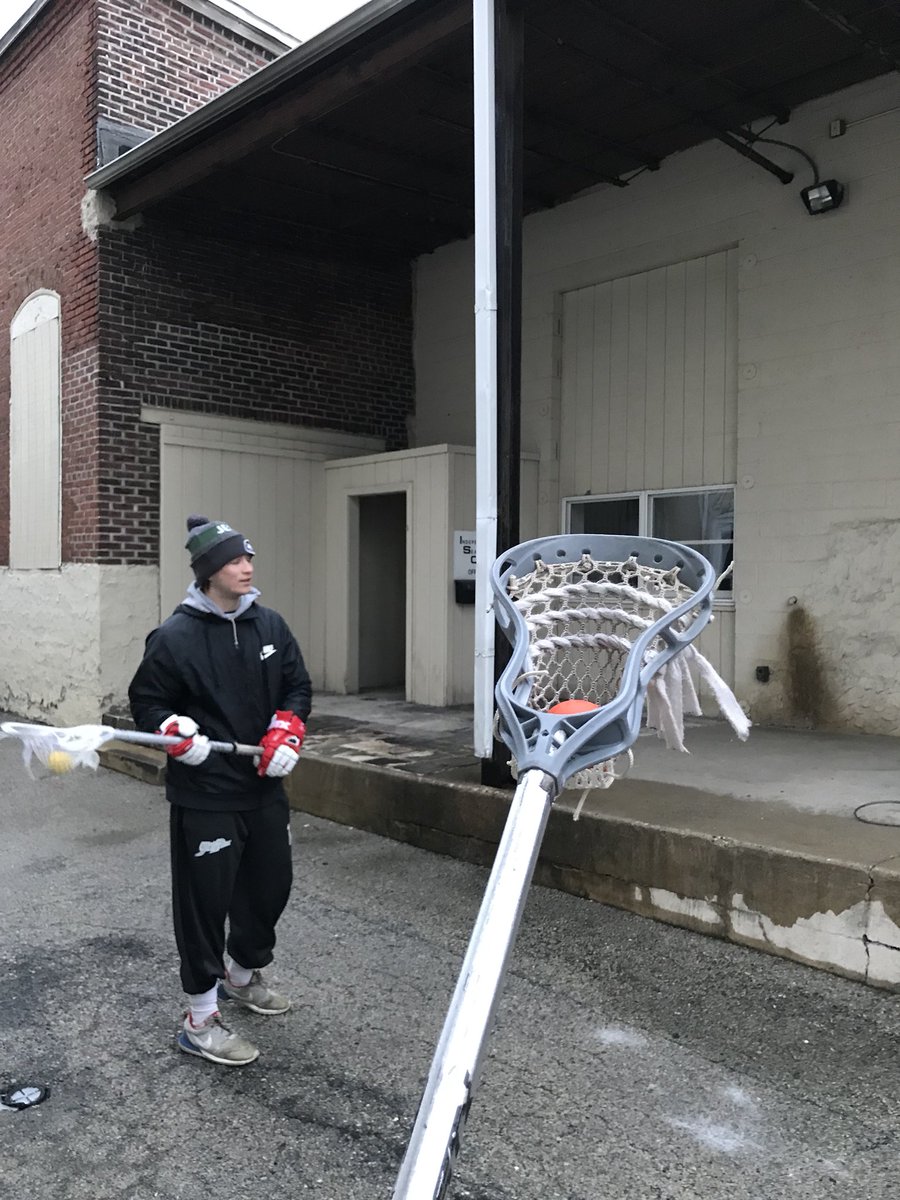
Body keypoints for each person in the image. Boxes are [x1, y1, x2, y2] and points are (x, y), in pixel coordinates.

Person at [129, 515, 312, 1067]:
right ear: (209, 571)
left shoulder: (270, 625)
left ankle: (241, 974)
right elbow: (148, 702)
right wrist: (174, 732)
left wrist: (287, 730)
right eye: (234, 560)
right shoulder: (174, 636)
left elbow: (297, 686)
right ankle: (200, 1018)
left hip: (263, 787)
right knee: (203, 905)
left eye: (248, 558)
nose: (247, 567)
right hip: (205, 793)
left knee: (271, 886)